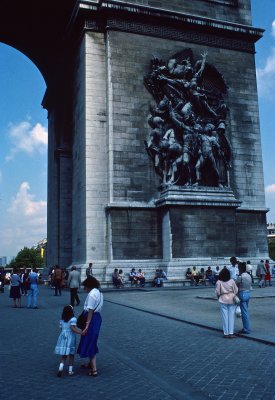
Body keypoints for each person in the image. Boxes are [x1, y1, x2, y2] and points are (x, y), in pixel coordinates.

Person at [77, 276, 103, 377]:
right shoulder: (99, 293)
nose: (84, 289)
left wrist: (87, 325)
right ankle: (89, 364)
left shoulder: (92, 295)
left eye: (85, 287)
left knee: (89, 341)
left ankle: (94, 370)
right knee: (92, 340)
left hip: (91, 318)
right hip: (97, 318)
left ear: (89, 286)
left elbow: (90, 310)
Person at [55, 305, 83, 377]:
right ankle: (70, 371)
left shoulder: (62, 320)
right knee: (71, 354)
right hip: (70, 338)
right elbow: (72, 328)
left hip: (63, 337)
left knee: (64, 355)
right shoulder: (73, 319)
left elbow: (61, 329)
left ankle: (60, 367)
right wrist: (80, 332)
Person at [215, 267, 238, 338]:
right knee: (231, 316)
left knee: (224, 317)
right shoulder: (232, 281)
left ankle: (226, 333)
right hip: (231, 299)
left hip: (223, 299)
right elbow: (236, 290)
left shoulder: (219, 282)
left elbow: (217, 292)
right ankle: (231, 333)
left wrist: (219, 297)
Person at [236, 262, 252, 334]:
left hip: (242, 293)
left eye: (239, 267)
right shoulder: (249, 276)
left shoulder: (240, 277)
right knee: (245, 312)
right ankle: (246, 327)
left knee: (244, 313)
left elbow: (236, 285)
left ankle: (246, 329)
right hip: (248, 293)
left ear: (240, 268)